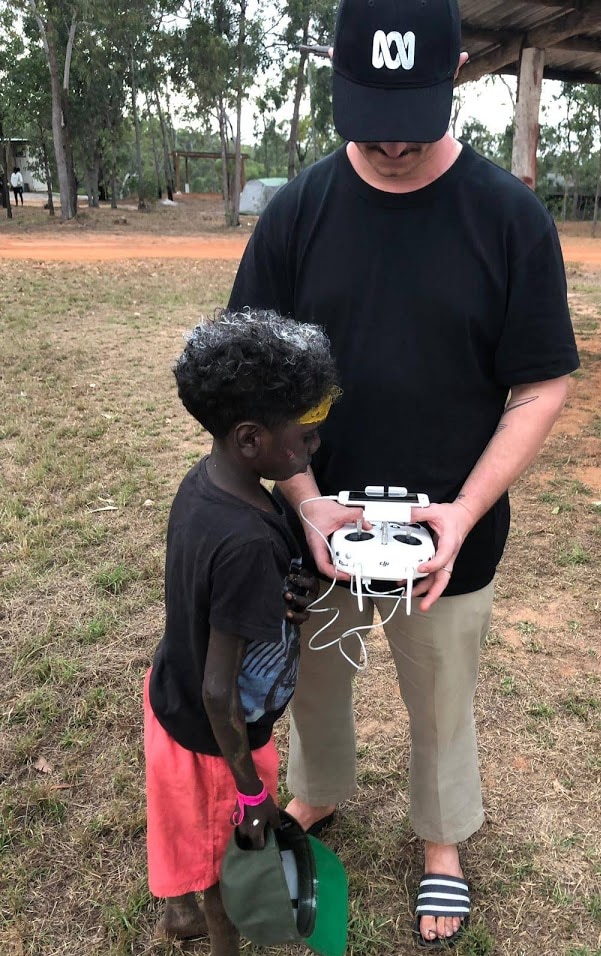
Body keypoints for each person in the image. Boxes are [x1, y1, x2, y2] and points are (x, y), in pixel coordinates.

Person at [227, 0, 580, 945]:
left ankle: (441, 841)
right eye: (369, 118)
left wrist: (463, 512)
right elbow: (251, 377)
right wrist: (303, 503)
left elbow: (539, 385)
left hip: (448, 530)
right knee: (315, 683)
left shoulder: (508, 217)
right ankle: (318, 792)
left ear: (456, 71)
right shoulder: (299, 209)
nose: (389, 144)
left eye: (413, 117)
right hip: (319, 522)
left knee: (440, 689)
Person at [143, 308, 340, 956]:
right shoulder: (246, 539)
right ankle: (216, 936)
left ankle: (178, 912)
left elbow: (216, 600)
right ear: (251, 439)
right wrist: (251, 791)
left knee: (191, 836)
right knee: (227, 860)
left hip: (169, 696)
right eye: (305, 438)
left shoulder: (208, 486)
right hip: (213, 739)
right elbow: (219, 692)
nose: (313, 450)